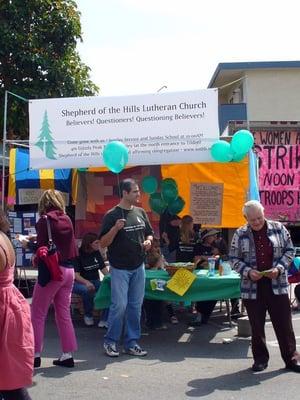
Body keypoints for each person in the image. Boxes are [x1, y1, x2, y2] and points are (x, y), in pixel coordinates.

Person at [229, 200, 300, 373]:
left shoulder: (279, 228)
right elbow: (233, 259)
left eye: (259, 218)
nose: (257, 222)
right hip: (252, 286)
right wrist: (247, 271)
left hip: (277, 283)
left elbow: (290, 251)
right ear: (246, 218)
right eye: (252, 220)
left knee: (284, 323)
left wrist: (279, 268)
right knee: (256, 325)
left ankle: (292, 358)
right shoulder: (240, 233)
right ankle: (260, 359)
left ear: (264, 213)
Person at [99, 178, 154, 357]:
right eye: (135, 192)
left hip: (139, 266)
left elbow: (149, 233)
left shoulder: (140, 212)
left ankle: (131, 342)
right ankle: (111, 341)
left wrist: (148, 241)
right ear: (125, 193)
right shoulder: (112, 215)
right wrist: (115, 229)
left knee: (135, 306)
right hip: (120, 268)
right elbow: (103, 243)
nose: (139, 194)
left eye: (138, 191)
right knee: (120, 305)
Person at [31, 189, 78, 368]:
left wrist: (30, 243)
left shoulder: (44, 221)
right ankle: (68, 354)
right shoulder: (67, 220)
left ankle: (35, 354)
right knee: (63, 314)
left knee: (38, 313)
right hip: (68, 271)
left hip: (52, 271)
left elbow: (42, 248)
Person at [0, 210, 34, 400]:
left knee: (9, 382)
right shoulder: (2, 236)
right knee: (7, 377)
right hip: (10, 305)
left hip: (4, 309)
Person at [73, 232, 109, 327]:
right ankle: (88, 315)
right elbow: (76, 275)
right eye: (96, 243)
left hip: (95, 280)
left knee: (109, 289)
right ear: (89, 244)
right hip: (80, 282)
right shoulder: (78, 255)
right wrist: (86, 282)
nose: (99, 245)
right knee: (86, 290)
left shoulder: (96, 253)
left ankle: (104, 319)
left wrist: (110, 279)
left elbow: (103, 269)